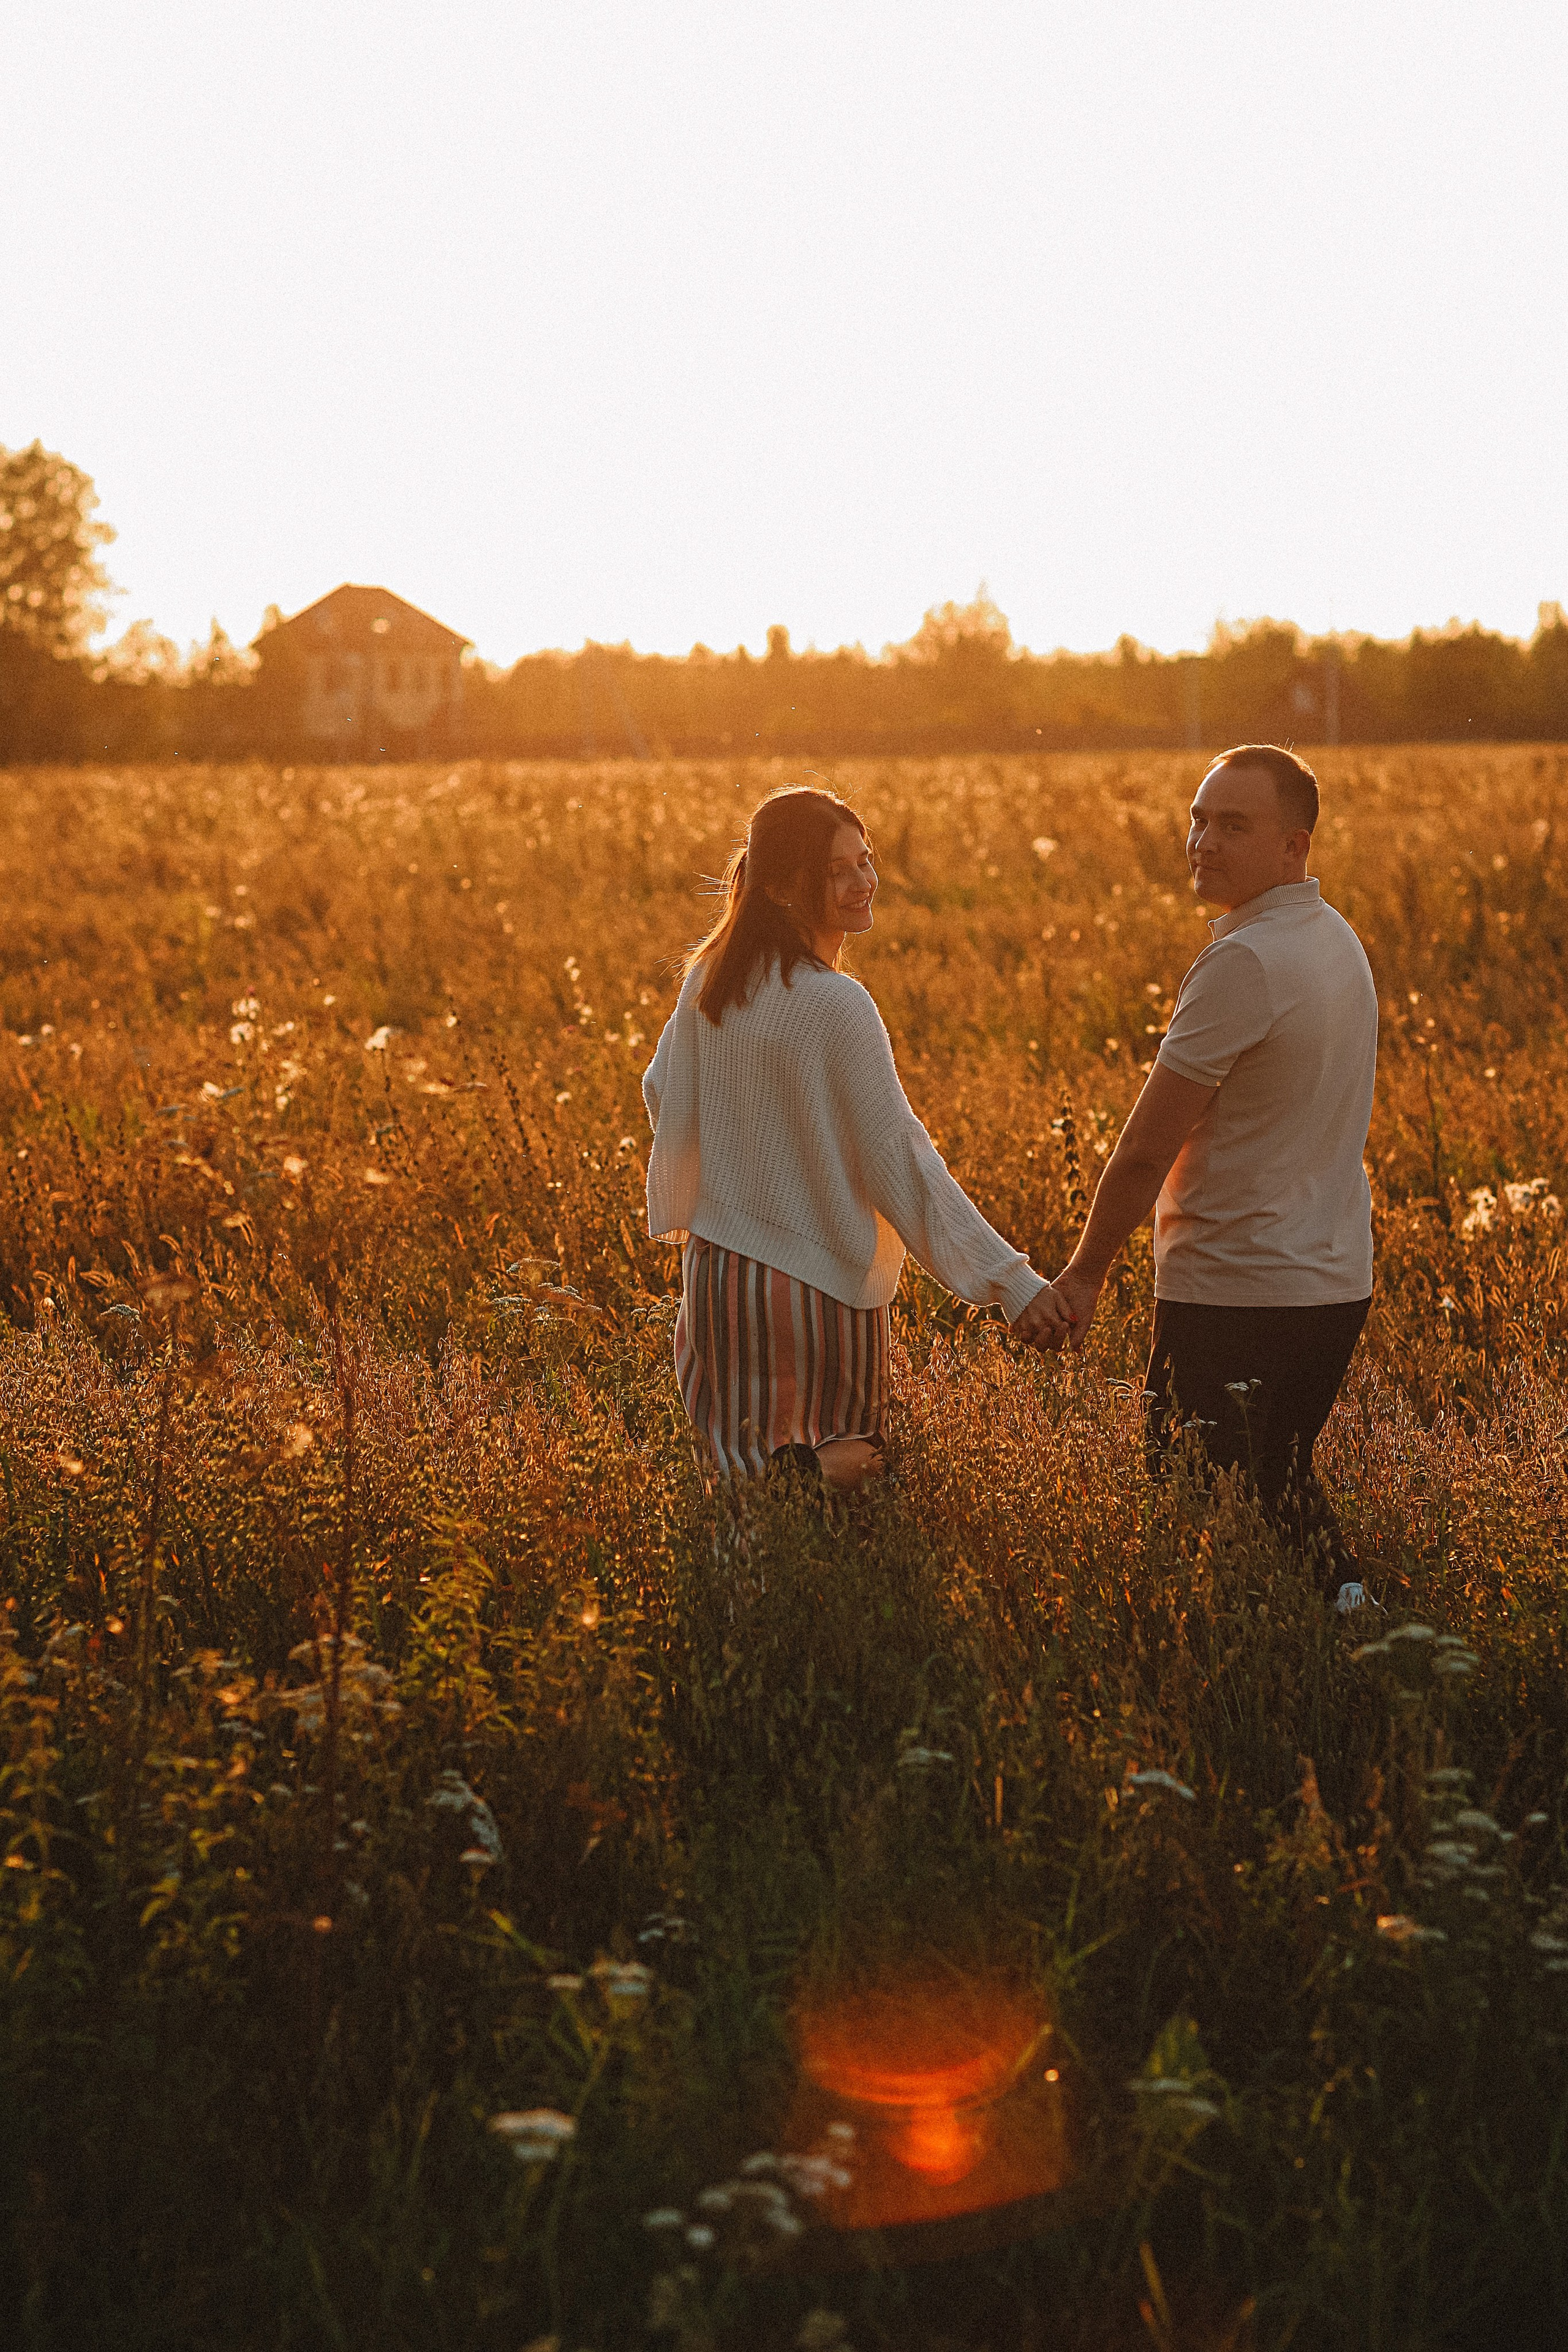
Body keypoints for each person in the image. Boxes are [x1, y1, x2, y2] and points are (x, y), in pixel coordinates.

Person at [643, 785, 1069, 1488]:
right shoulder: (838, 1004)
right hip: (816, 1288)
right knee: (853, 1469)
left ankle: (742, 1593)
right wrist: (1011, 1284)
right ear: (779, 888)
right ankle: (809, 1538)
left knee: (734, 1484)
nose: (863, 882)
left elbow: (663, 1092)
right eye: (838, 871)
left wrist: (735, 1181)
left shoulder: (707, 981)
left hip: (717, 1280)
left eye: (864, 861)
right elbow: (900, 1160)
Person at [1046, 744, 1380, 1610]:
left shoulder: (1245, 963)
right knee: (1277, 1483)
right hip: (1331, 1283)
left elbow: (1148, 1147)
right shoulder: (1336, 940)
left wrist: (1085, 1272)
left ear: (1293, 846)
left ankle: (1255, 1679)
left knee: (1199, 1501)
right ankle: (1357, 1637)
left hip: (1236, 1289)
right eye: (1198, 819)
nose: (1203, 840)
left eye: (1234, 825)